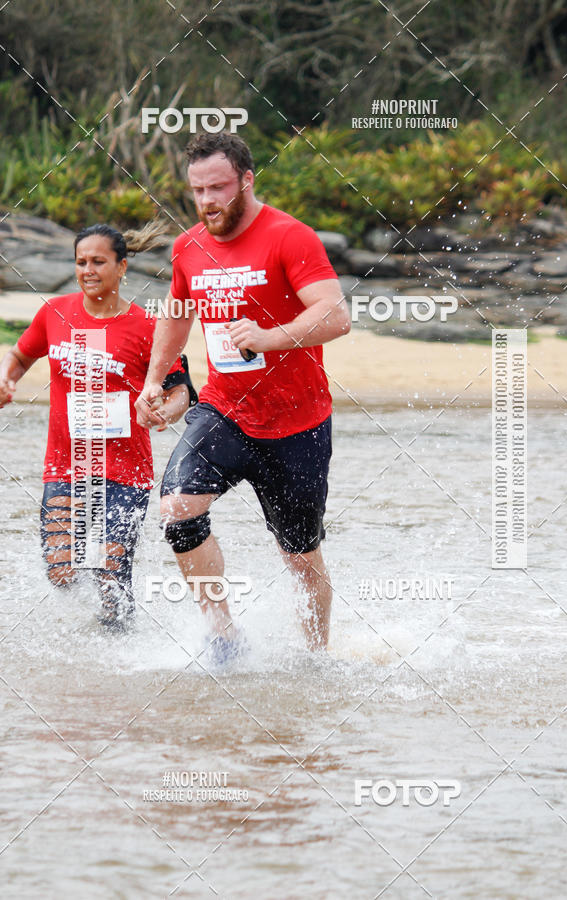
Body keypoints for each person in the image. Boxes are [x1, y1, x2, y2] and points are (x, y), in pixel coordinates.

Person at [134, 132, 350, 657]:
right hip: (225, 410)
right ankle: (223, 633)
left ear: (247, 181)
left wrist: (270, 337)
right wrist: (154, 381)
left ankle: (317, 658)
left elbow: (335, 314)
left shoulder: (289, 236)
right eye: (198, 190)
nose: (207, 201)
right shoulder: (189, 247)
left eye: (219, 188)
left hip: (298, 423)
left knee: (301, 557)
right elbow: (178, 315)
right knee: (179, 506)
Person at [0, 222, 196, 629]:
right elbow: (19, 356)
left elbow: (183, 392)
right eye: (80, 262)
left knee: (110, 576)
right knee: (61, 571)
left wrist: (164, 412)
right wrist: (8, 378)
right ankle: (83, 652)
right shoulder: (55, 313)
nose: (88, 270)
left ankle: (118, 655)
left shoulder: (146, 327)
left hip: (123, 473)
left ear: (122, 267)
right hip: (66, 467)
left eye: (98, 262)